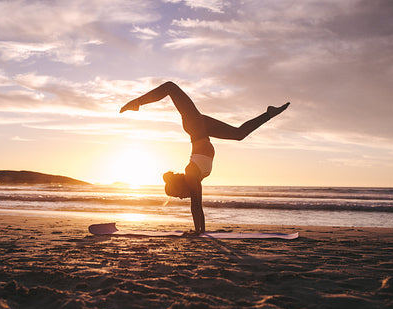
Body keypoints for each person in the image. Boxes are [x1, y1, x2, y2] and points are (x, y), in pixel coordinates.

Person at [120, 81, 289, 235]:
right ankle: (269, 114)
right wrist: (201, 232)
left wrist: (198, 232)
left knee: (170, 87)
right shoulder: (195, 178)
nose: (180, 198)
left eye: (178, 195)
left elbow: (196, 206)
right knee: (239, 134)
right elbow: (199, 207)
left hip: (195, 127)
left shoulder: (191, 173)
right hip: (203, 130)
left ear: (180, 186)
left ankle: (137, 103)